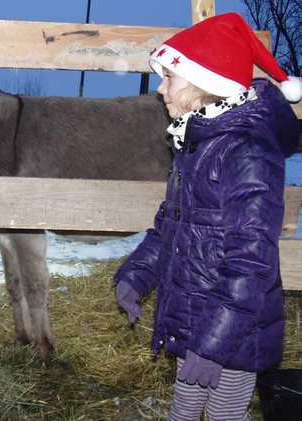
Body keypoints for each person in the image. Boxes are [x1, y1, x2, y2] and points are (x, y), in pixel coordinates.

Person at [113, 12, 301, 421]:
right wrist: (135, 275)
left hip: (235, 329)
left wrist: (214, 344)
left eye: (170, 78)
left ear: (204, 83)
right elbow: (171, 226)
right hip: (194, 313)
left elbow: (251, 261)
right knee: (182, 410)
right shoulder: (197, 144)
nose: (160, 88)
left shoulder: (246, 152)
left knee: (225, 414)